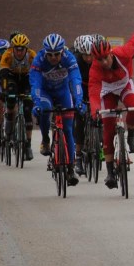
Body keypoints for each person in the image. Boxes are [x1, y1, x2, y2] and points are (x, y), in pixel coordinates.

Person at [88, 31, 134, 189]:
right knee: (107, 129)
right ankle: (110, 172)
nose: (104, 62)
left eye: (105, 57)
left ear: (110, 54)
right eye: (99, 59)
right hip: (107, 92)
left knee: (133, 107)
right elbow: (93, 92)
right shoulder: (95, 69)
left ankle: (132, 136)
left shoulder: (123, 54)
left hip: (124, 85)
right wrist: (95, 111)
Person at [29, 34, 83, 188]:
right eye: (50, 55)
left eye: (56, 54)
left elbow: (76, 80)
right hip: (46, 93)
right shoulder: (39, 60)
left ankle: (71, 168)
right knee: (45, 110)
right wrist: (37, 103)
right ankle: (46, 139)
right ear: (45, 53)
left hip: (63, 92)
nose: (53, 58)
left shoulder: (69, 58)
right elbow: (36, 84)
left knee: (67, 129)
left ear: (62, 52)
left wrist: (78, 101)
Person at [0, 33, 36, 160]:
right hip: (11, 78)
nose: (19, 52)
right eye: (16, 49)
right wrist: (5, 90)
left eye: (21, 49)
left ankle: (28, 145)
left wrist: (35, 90)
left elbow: (36, 76)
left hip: (26, 78)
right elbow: (4, 76)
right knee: (11, 98)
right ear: (12, 48)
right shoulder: (7, 55)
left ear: (26, 49)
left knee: (28, 110)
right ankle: (9, 123)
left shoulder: (32, 56)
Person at [70, 35, 96, 176]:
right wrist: (78, 100)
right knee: (79, 120)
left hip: (93, 86)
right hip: (79, 86)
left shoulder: (97, 59)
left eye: (90, 55)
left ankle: (98, 143)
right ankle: (78, 156)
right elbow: (74, 82)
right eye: (85, 55)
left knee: (98, 114)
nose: (88, 58)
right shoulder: (76, 61)